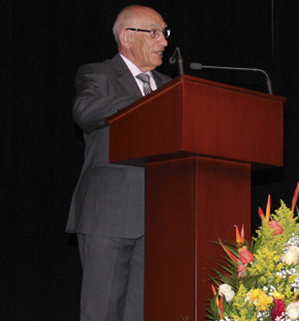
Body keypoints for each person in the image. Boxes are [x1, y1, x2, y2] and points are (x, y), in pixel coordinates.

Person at [66, 5, 172, 320]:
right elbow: (85, 111)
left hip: (158, 215)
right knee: (103, 311)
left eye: (164, 32)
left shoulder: (169, 86)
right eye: (154, 32)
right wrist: (147, 101)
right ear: (126, 37)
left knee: (142, 311)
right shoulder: (99, 73)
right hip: (108, 213)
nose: (164, 41)